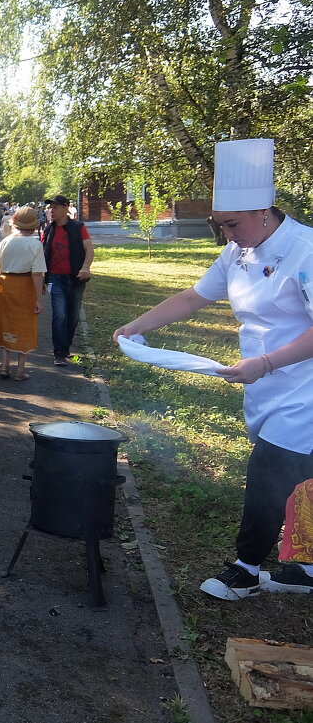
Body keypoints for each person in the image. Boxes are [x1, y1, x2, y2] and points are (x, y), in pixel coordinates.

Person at [114, 138, 313, 601]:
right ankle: (306, 566)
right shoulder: (237, 252)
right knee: (300, 474)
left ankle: (244, 569)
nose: (226, 234)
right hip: (263, 382)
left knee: (271, 469)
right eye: (219, 225)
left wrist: (264, 362)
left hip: (304, 384)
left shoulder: (306, 250)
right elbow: (192, 298)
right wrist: (136, 325)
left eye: (232, 224)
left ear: (264, 211)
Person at [0, 206, 46, 381]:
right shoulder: (35, 244)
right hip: (25, 285)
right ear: (33, 226)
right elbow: (37, 274)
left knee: (5, 322)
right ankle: (20, 370)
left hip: (5, 284)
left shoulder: (5, 241)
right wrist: (39, 299)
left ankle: (4, 365)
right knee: (25, 325)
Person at [43, 194, 94, 366]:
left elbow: (89, 250)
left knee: (72, 317)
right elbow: (42, 255)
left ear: (66, 208)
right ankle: (58, 352)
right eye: (51, 207)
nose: (52, 210)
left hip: (75, 278)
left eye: (55, 207)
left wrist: (85, 267)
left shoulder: (79, 227)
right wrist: (41, 278)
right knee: (59, 315)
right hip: (55, 278)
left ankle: (65, 349)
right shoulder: (48, 230)